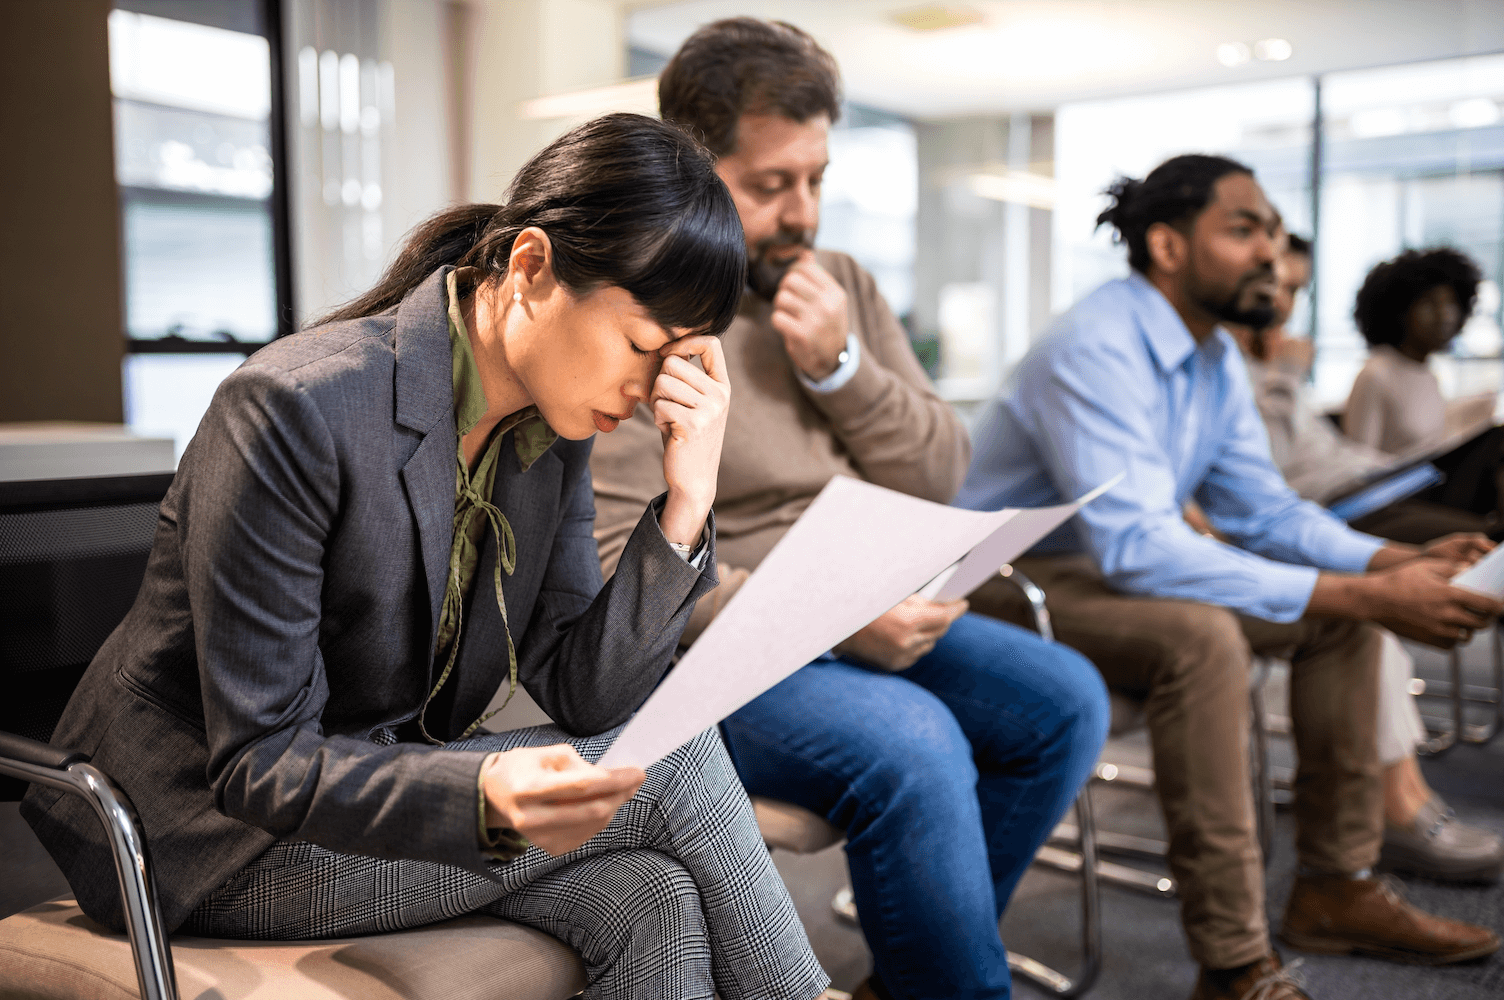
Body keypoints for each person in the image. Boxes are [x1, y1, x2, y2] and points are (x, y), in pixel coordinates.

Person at [22, 114, 829, 1000]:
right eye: (641, 347)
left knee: (652, 898)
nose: (647, 395)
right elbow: (261, 760)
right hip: (199, 836)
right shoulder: (294, 410)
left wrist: (687, 505)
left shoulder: (550, 428)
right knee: (671, 759)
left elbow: (584, 691)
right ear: (529, 268)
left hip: (358, 796)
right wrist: (480, 792)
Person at [589, 20, 1109, 1000]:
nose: (802, 215)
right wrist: (831, 618)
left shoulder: (840, 289)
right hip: (707, 648)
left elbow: (940, 472)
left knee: (1065, 700)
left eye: (815, 179)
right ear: (692, 169)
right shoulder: (638, 304)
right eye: (768, 185)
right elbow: (621, 555)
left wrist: (840, 365)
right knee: (916, 747)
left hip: (860, 611)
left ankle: (913, 975)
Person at [957, 153, 1502, 1000]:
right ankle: (1235, 961)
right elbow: (1135, 545)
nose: (1272, 257)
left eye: (1276, 235)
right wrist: (1366, 586)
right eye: (1244, 230)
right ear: (1168, 247)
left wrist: (1394, 563)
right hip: (1010, 575)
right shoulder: (1096, 343)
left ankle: (1336, 883)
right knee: (1204, 637)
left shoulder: (1211, 359)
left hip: (1106, 565)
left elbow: (1266, 511)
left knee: (1341, 619)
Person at [1224, 234, 1504, 883]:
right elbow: (1258, 482)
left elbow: (1302, 469)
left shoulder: (1242, 361)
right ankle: (1396, 810)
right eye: (1271, 285)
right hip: (1314, 509)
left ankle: (1380, 827)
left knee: (1386, 580)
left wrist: (1392, 554)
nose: (1279, 301)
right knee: (1360, 608)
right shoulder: (1229, 367)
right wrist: (1282, 372)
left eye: (1293, 288)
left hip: (1341, 498)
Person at [1343, 247, 1504, 525]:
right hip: (1395, 497)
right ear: (1399, 311)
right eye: (1430, 303)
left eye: (1451, 304)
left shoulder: (1428, 374)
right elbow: (1355, 466)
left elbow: (1425, 439)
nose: (1445, 315)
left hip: (1432, 484)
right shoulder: (1376, 373)